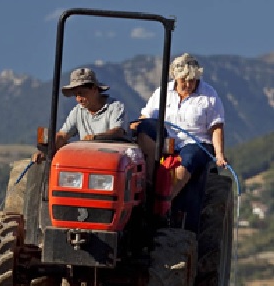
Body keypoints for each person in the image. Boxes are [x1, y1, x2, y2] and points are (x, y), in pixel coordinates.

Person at [134, 53, 227, 201]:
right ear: (175, 78)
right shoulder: (163, 92)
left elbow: (216, 126)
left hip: (195, 142)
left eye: (192, 80)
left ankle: (165, 199)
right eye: (184, 80)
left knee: (189, 158)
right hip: (166, 139)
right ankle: (149, 182)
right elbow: (146, 116)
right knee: (144, 127)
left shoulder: (209, 95)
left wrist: (220, 154)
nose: (189, 85)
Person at [34, 68, 127, 162]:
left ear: (94, 89)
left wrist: (95, 138)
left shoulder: (115, 106)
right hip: (87, 158)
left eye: (82, 94)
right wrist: (46, 150)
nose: (78, 99)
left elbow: (118, 132)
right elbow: (63, 135)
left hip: (111, 158)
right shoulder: (77, 111)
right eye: (76, 95)